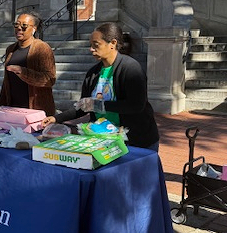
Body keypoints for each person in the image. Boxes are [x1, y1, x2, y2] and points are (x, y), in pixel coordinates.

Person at [41, 22, 160, 150]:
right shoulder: (93, 73)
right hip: (103, 140)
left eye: (96, 45)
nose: (91, 49)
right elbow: (83, 106)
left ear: (113, 43)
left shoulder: (131, 68)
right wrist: (56, 118)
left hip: (136, 141)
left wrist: (100, 105)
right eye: (90, 45)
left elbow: (136, 105)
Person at [0, 10, 56, 116]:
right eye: (16, 25)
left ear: (34, 28)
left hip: (35, 110)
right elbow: (6, 83)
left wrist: (23, 72)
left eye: (24, 26)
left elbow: (50, 79)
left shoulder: (42, 48)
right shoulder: (10, 49)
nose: (19, 28)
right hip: (13, 109)